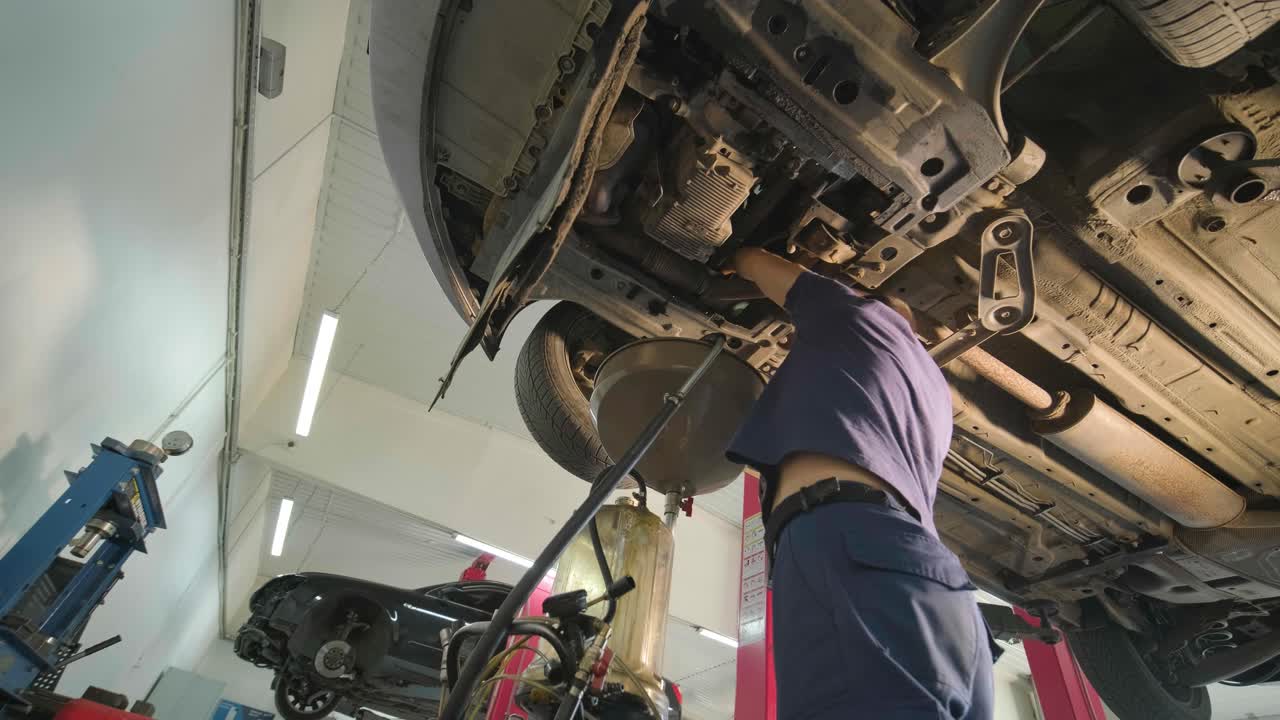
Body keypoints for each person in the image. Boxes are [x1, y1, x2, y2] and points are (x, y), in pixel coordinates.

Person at [725, 247, 993, 720]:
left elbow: (773, 272)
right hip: (936, 594)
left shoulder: (861, 319)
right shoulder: (932, 392)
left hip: (851, 545)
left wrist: (732, 255)